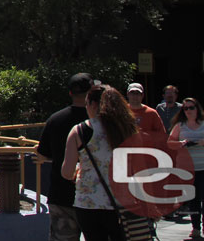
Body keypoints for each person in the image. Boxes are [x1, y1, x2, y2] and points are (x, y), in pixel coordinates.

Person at [61, 84, 138, 241]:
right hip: (122, 203)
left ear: (94, 104)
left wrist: (78, 169)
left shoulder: (79, 131)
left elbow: (67, 172)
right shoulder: (128, 129)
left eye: (87, 104)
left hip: (89, 203)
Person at [36, 72, 92, 241]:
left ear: (70, 93)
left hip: (61, 195)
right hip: (94, 197)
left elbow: (43, 153)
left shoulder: (55, 119)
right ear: (91, 93)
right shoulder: (100, 123)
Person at [169, 97, 204, 239]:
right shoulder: (179, 126)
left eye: (191, 107)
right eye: (186, 108)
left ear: (197, 109)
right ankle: (196, 227)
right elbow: (170, 143)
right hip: (188, 169)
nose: (189, 111)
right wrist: (182, 143)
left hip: (203, 167)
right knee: (194, 200)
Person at [127, 82, 166, 147]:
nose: (135, 96)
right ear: (127, 94)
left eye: (138, 93)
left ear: (142, 95)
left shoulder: (152, 113)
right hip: (125, 151)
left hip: (146, 151)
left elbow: (161, 135)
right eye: (132, 93)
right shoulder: (122, 112)